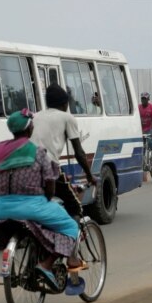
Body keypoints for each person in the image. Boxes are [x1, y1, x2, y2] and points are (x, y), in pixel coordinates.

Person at [0, 109, 82, 290]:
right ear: (29, 128)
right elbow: (50, 183)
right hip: (31, 207)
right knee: (71, 226)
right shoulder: (37, 152)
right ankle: (46, 265)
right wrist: (46, 196)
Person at [30, 84, 97, 218]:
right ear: (65, 103)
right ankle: (68, 238)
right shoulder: (67, 118)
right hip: (49, 168)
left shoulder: (35, 116)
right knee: (75, 206)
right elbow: (79, 152)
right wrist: (90, 175)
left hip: (27, 167)